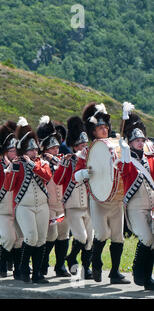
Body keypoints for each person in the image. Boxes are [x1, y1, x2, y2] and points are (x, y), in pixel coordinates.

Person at [74, 102, 130, 284]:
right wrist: (84, 173)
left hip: (116, 200)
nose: (104, 130)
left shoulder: (116, 145)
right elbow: (76, 176)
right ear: (93, 131)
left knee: (118, 236)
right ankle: (96, 266)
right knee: (101, 234)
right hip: (98, 200)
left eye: (106, 127)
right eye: (100, 127)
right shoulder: (86, 151)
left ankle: (114, 273)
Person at [4, 117, 52, 284]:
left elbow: (47, 176)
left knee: (40, 240)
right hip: (24, 206)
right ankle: (23, 269)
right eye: (30, 150)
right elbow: (8, 186)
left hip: (42, 206)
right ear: (24, 150)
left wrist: (32, 164)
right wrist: (10, 170)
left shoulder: (42, 163)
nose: (34, 152)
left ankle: (38, 273)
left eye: (35, 149)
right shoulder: (18, 164)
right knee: (30, 237)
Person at [54, 116, 93, 279]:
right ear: (74, 146)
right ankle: (70, 258)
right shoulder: (69, 161)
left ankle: (86, 267)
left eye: (86, 145)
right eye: (80, 145)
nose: (84, 148)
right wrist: (63, 164)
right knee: (81, 236)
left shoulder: (93, 162)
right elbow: (58, 180)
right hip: (73, 205)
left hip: (90, 205)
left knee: (90, 239)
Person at [118, 113, 153, 290]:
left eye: (142, 140)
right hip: (135, 207)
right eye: (137, 140)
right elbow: (123, 171)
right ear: (130, 142)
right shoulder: (126, 160)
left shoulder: (149, 159)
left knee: (152, 240)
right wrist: (124, 154)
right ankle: (140, 274)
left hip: (151, 207)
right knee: (146, 238)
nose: (140, 143)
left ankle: (146, 277)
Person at [0, 120, 24, 279]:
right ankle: (2, 262)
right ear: (4, 151)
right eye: (11, 151)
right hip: (3, 209)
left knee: (19, 240)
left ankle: (18, 269)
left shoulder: (21, 165)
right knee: (8, 239)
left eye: (16, 150)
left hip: (18, 208)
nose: (15, 154)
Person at [36, 116, 71, 277]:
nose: (56, 151)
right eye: (52, 149)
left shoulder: (61, 160)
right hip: (48, 205)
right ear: (44, 149)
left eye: (57, 148)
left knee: (64, 235)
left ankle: (60, 265)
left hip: (61, 204)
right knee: (51, 235)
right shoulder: (40, 163)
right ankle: (42, 264)